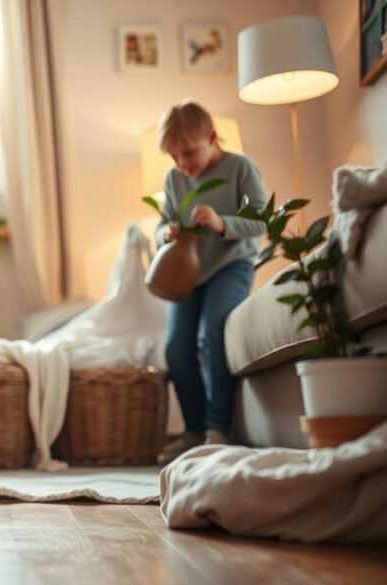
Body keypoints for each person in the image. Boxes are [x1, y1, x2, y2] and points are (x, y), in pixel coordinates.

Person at [154, 100, 267, 464]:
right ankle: (194, 429)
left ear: (212, 137)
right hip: (187, 273)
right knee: (175, 348)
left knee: (213, 330)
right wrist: (165, 235)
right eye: (174, 157)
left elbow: (263, 221)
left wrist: (222, 224)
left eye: (188, 152)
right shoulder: (174, 180)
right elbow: (161, 225)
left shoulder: (240, 168)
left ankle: (218, 427)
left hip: (231, 266)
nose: (183, 164)